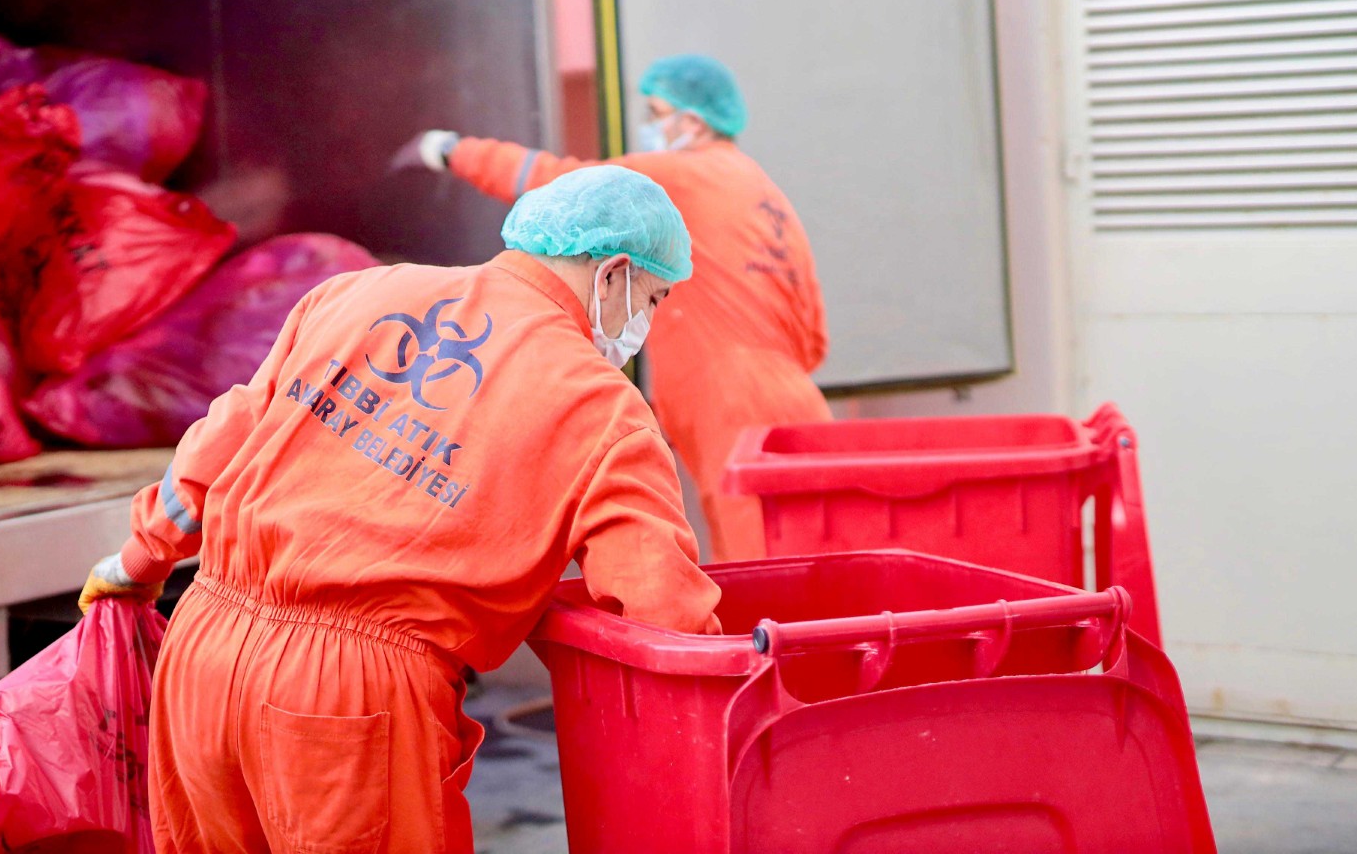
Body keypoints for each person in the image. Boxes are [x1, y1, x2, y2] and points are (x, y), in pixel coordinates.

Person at [80, 166, 721, 854]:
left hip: (201, 647)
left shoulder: (357, 294)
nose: (644, 325)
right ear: (614, 273)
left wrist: (138, 560)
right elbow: (662, 610)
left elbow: (216, 445)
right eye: (652, 299)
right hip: (348, 704)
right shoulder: (602, 408)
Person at [401, 54, 829, 561]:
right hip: (799, 402)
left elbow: (558, 185)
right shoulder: (764, 193)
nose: (650, 127)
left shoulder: (678, 175)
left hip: (732, 408)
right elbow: (814, 337)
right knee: (817, 568)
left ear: (691, 121)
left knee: (766, 583)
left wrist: (450, 150)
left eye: (655, 112)